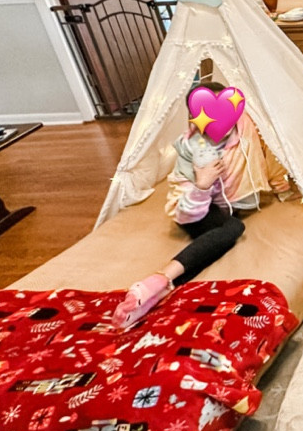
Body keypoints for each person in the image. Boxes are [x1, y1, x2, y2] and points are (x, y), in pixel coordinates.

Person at [111, 81, 291, 327]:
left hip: (224, 206)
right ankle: (160, 279)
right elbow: (186, 216)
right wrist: (203, 184)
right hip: (193, 209)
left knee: (224, 233)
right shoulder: (193, 150)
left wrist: (275, 178)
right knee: (233, 228)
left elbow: (270, 132)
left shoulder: (243, 126)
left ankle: (159, 292)